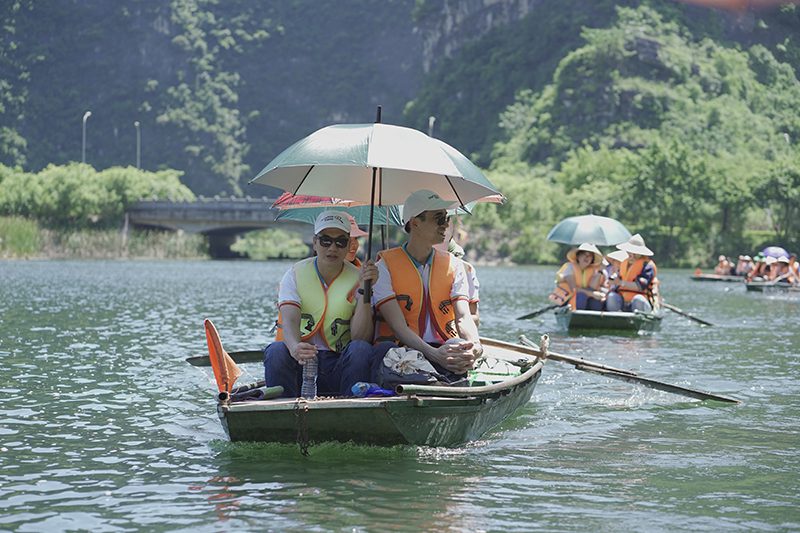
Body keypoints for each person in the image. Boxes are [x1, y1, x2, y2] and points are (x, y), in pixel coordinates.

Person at [264, 210, 382, 398]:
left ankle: (353, 407)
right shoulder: (294, 274)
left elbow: (362, 336)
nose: (332, 248)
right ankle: (282, 410)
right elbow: (290, 320)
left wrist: (363, 290)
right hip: (303, 361)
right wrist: (295, 347)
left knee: (361, 349)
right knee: (276, 350)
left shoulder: (360, 278)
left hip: (339, 362)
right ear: (315, 243)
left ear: (348, 245)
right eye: (325, 240)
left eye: (340, 242)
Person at [372, 189, 482, 381]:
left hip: (444, 348)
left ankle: (447, 382)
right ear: (415, 223)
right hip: (402, 351)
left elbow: (463, 317)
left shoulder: (455, 265)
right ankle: (440, 383)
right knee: (394, 354)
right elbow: (398, 327)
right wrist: (434, 355)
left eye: (447, 219)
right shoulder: (383, 267)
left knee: (460, 349)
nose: (446, 226)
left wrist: (475, 345)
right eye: (439, 219)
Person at [605, 233, 659, 313]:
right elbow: (620, 279)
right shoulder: (624, 263)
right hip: (623, 301)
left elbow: (640, 286)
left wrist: (620, 282)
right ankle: (615, 319)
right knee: (612, 296)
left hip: (640, 302)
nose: (632, 254)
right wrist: (614, 280)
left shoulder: (647, 266)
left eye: (636, 252)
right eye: (630, 251)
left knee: (638, 299)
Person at [548, 242, 605, 311]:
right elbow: (574, 289)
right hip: (567, 300)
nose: (587, 257)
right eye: (584, 254)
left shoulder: (593, 270)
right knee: (582, 296)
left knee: (596, 301)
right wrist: (592, 294)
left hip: (583, 298)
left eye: (590, 256)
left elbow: (592, 287)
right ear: (578, 256)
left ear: (592, 259)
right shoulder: (569, 267)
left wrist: (599, 272)